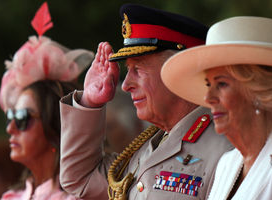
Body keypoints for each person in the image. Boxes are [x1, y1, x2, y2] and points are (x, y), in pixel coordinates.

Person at [59, 3, 232, 200]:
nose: (126, 85)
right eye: (128, 70)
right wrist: (89, 100)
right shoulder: (151, 145)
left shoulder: (228, 146)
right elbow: (80, 180)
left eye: (138, 70)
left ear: (179, 71)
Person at [161, 16, 272, 199]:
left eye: (222, 84)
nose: (208, 98)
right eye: (208, 85)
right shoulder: (228, 162)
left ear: (258, 90)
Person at [0, 2, 94, 199]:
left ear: (57, 123)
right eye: (10, 116)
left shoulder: (79, 197)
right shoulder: (10, 197)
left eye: (22, 117)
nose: (10, 128)